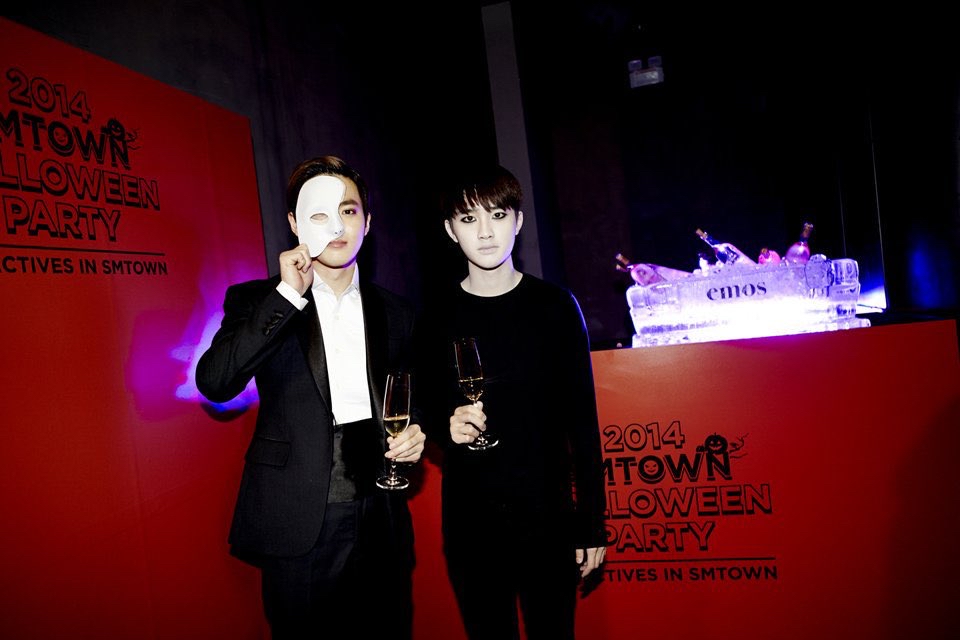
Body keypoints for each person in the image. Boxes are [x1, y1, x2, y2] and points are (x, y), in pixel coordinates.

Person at [196, 155, 426, 639]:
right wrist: (286, 295)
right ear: (295, 224)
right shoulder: (258, 300)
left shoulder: (397, 312)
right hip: (299, 516)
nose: (337, 227)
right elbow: (215, 381)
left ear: (367, 222)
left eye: (348, 211)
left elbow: (410, 397)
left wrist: (415, 433)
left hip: (381, 512)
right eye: (319, 213)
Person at [419, 163, 607, 639]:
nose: (485, 232)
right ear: (450, 230)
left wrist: (591, 523)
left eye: (498, 215)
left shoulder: (555, 307)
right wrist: (445, 427)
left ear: (518, 221)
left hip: (548, 520)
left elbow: (583, 424)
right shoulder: (435, 317)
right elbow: (422, 407)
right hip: (471, 524)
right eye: (468, 219)